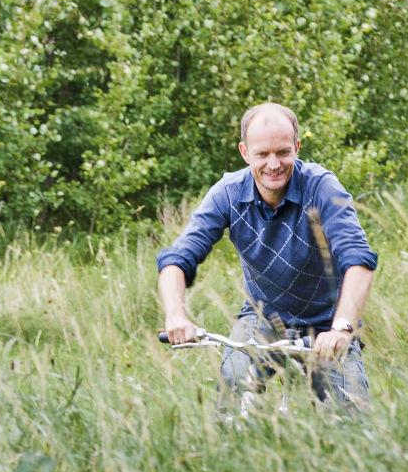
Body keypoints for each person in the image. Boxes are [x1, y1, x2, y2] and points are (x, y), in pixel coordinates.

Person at [158, 103, 377, 412]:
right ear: (245, 152)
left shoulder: (322, 187)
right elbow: (176, 260)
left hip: (327, 322)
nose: (273, 164)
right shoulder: (228, 193)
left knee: (349, 413)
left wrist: (342, 328)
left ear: (297, 147)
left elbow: (358, 260)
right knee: (233, 386)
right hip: (263, 316)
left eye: (283, 152)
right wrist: (176, 316)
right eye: (262, 154)